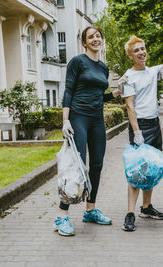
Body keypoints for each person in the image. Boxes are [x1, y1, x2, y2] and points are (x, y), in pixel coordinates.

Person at [55, 26, 123, 236]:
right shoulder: (77, 62)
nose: (96, 39)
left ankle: (90, 210)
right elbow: (69, 91)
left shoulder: (103, 68)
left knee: (97, 165)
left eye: (98, 36)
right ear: (84, 42)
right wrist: (65, 121)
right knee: (76, 166)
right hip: (78, 118)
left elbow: (97, 96)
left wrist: (115, 94)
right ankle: (62, 216)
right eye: (91, 37)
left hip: (96, 120)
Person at [120, 35, 163, 231]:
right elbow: (130, 106)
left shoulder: (153, 71)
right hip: (140, 126)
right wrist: (137, 132)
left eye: (143, 48)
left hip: (155, 124)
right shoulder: (128, 77)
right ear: (130, 55)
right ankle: (130, 213)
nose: (141, 52)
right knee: (136, 171)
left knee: (151, 168)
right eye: (136, 50)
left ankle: (146, 207)